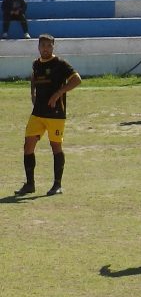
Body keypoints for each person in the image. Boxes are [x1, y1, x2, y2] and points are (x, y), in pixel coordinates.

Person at [15, 34, 81, 197]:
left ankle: (57, 185)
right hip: (38, 113)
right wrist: (32, 93)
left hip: (55, 113)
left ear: (53, 47)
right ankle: (30, 184)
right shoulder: (36, 64)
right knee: (28, 146)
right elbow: (33, 77)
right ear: (38, 47)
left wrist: (59, 93)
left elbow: (77, 80)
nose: (45, 48)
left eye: (48, 45)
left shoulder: (60, 64)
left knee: (55, 146)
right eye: (43, 45)